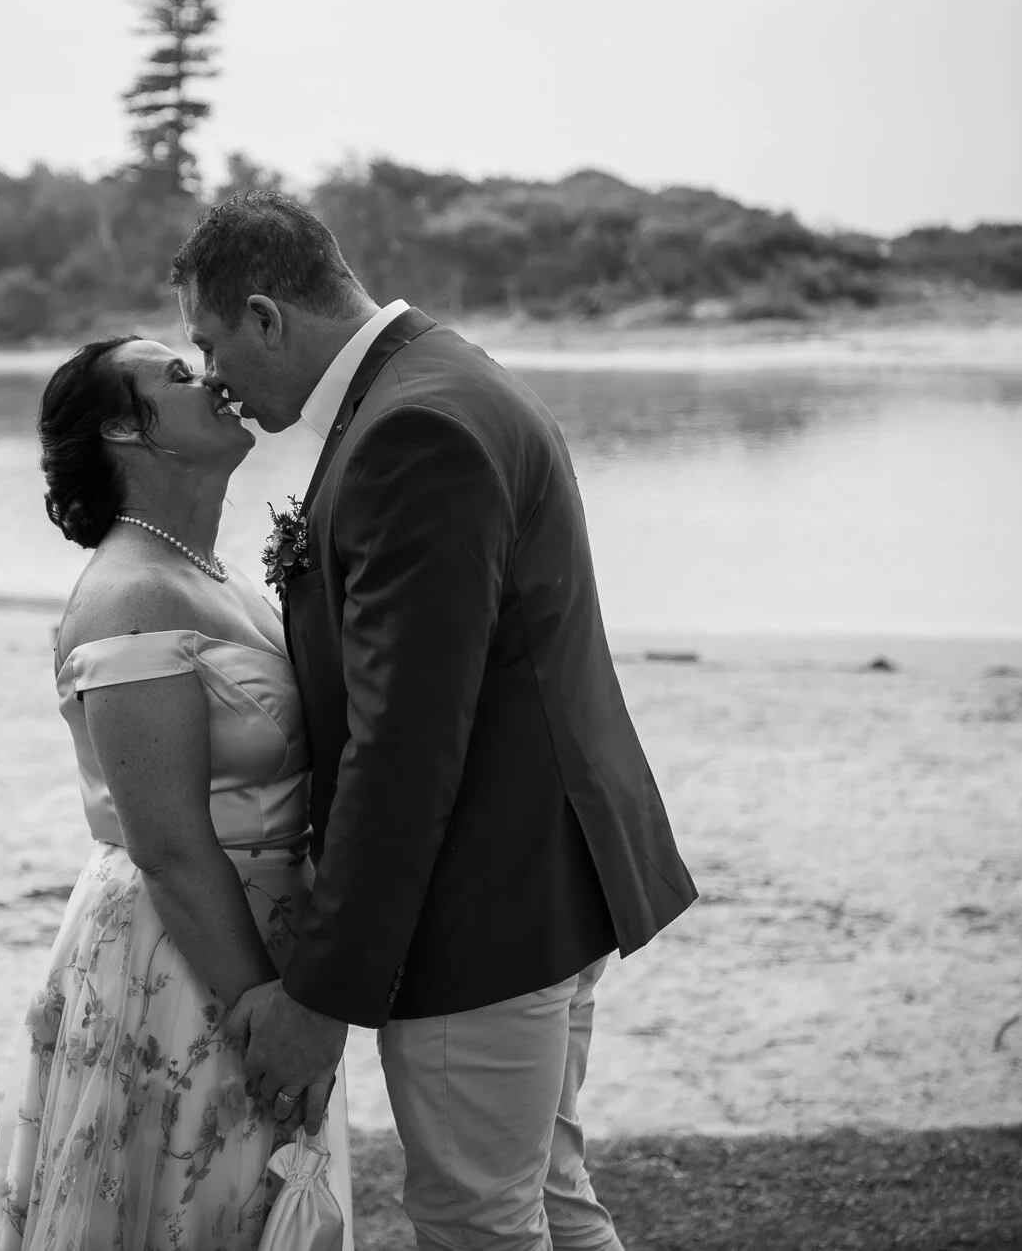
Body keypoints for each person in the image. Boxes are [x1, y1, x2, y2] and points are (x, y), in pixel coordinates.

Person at [182, 191, 699, 1251]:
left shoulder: (410, 431)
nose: (213, 380)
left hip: (485, 903)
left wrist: (322, 995)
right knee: (544, 1201)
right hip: (541, 878)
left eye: (211, 343)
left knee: (475, 1222)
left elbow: (403, 747)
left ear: (268, 317)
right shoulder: (433, 377)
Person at [0, 336, 354, 1249]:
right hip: (188, 960)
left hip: (265, 945)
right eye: (178, 376)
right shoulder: (131, 593)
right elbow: (170, 843)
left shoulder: (212, 577)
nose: (213, 378)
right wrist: (264, 1004)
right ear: (121, 430)